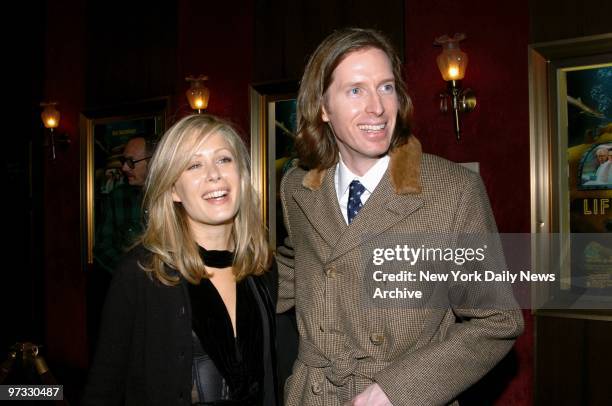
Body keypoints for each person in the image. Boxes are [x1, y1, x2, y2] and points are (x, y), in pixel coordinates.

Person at [276, 28, 524, 406]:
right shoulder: (297, 186)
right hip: (313, 394)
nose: (376, 107)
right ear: (323, 107)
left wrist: (398, 389)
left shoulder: (452, 191)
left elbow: (498, 321)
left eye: (386, 87)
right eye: (355, 90)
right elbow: (294, 268)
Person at [83, 115, 278, 405]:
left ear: (242, 175)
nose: (214, 175)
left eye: (224, 159)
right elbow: (104, 389)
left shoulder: (263, 267)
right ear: (173, 189)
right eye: (194, 165)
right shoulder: (141, 273)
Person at [93, 136, 155, 273]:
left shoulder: (176, 197)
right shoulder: (117, 197)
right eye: (123, 161)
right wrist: (133, 273)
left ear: (153, 162)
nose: (124, 167)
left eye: (131, 162)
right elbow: (102, 248)